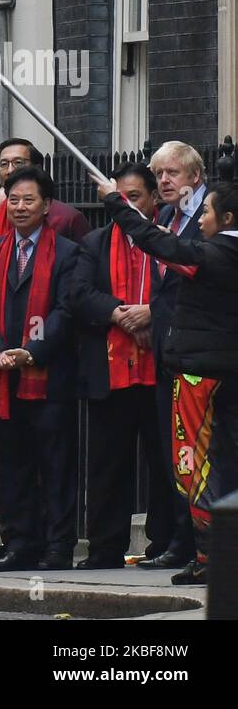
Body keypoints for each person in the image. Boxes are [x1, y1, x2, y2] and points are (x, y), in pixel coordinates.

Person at [95, 175, 238, 585]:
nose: (201, 219)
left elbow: (156, 244)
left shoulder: (212, 255)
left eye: (206, 212)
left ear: (225, 218)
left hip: (199, 377)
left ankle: (210, 557)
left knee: (193, 465)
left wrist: (115, 202)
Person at [0, 139, 91, 564]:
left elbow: (67, 310)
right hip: (4, 374)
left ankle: (59, 546)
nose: (20, 208)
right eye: (14, 201)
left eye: (29, 200)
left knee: (56, 465)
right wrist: (0, 352)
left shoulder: (68, 253)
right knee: (15, 465)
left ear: (46, 206)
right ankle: (21, 543)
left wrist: (33, 352)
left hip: (50, 376)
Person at [70, 163, 167, 569]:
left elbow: (184, 291)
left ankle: (165, 545)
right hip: (111, 372)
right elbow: (78, 294)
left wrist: (152, 314)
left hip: (161, 371)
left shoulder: (169, 239)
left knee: (165, 464)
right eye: (120, 197)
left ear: (154, 199)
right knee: (108, 465)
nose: (127, 205)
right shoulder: (94, 242)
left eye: (136, 197)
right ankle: (105, 548)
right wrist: (119, 314)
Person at [137, 141, 209, 570]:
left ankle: (202, 545)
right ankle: (181, 542)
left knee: (200, 453)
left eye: (172, 174)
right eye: (159, 174)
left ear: (195, 177)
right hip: (167, 350)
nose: (163, 181)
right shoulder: (163, 216)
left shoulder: (210, 218)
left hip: (202, 356)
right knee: (173, 452)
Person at [0, 138, 93, 243]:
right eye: (4, 164)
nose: (10, 170)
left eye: (18, 163)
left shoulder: (68, 219)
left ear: (37, 167)